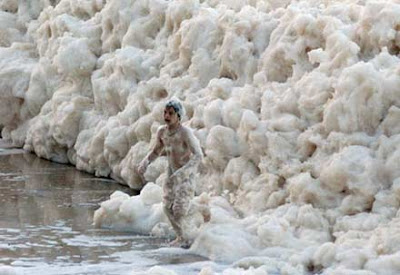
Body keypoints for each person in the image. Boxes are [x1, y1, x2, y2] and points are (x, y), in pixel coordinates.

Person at [137, 99, 208, 247]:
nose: (166, 116)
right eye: (165, 112)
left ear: (178, 116)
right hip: (171, 174)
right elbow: (157, 150)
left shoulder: (186, 133)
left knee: (179, 210)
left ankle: (200, 209)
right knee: (167, 207)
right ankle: (182, 237)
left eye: (170, 113)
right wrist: (146, 161)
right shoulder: (162, 132)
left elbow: (198, 155)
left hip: (186, 175)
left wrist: (184, 172)